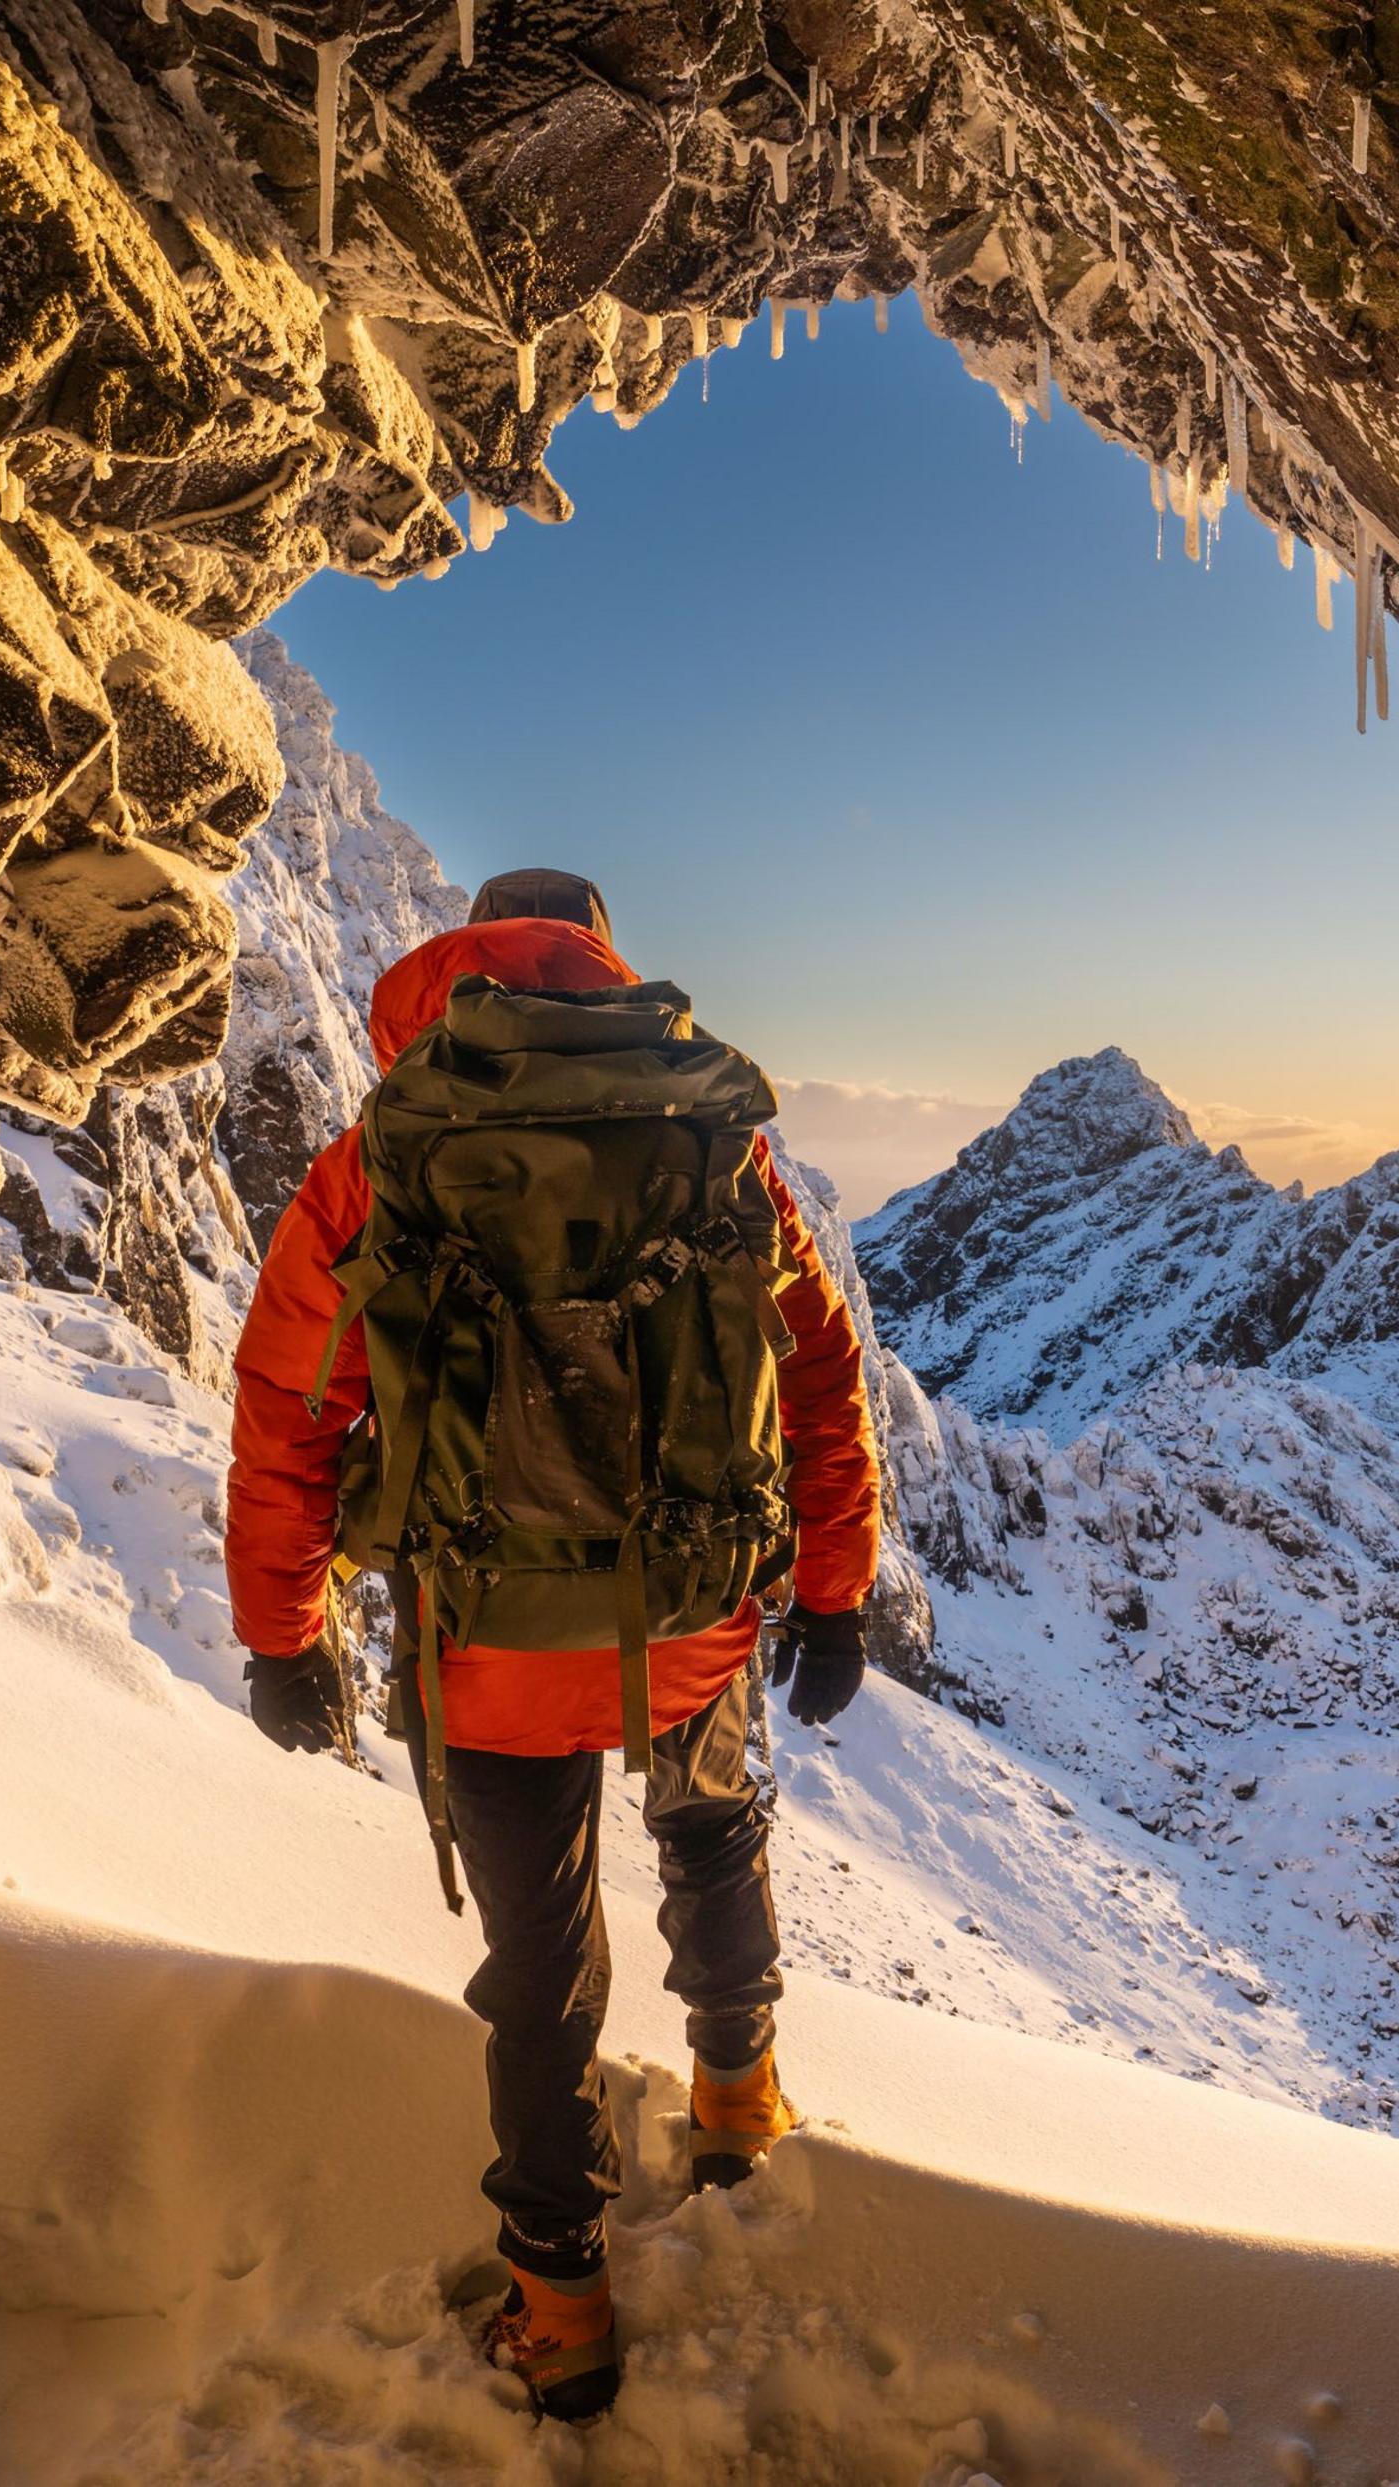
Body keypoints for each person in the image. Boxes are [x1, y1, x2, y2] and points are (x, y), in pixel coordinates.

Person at [222, 867, 881, 2423]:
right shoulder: (710, 1135)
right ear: (597, 950)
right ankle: (737, 2103)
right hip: (690, 1609)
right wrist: (836, 1588)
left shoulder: (383, 1154)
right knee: (716, 1841)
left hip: (485, 1641)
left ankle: (563, 2304)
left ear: (452, 970)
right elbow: (819, 1372)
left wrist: (282, 1627)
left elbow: (288, 1410)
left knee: (539, 1969)